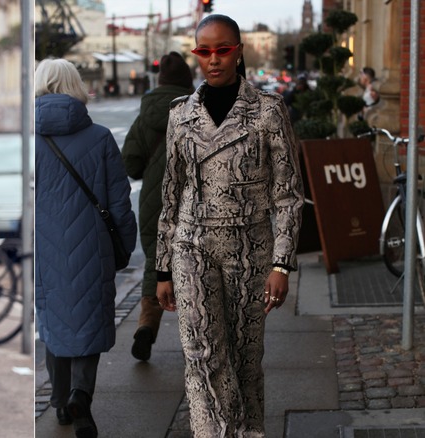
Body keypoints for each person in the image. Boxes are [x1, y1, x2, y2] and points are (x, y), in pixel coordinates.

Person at [155, 14, 304, 436]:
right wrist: (162, 267)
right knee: (203, 354)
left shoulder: (268, 112)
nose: (213, 60)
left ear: (239, 51)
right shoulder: (180, 116)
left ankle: (248, 430)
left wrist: (281, 264)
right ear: (196, 54)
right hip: (192, 246)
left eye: (222, 50)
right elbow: (171, 194)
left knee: (244, 355)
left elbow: (289, 194)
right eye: (204, 51)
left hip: (250, 249)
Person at [35, 58, 137, 438]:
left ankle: (60, 401)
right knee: (87, 321)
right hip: (92, 246)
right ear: (77, 86)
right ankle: (81, 396)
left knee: (55, 322)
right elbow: (120, 202)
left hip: (44, 252)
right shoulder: (100, 137)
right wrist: (124, 247)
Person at [121, 51, 194, 362]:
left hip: (154, 200)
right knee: (193, 265)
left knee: (155, 260)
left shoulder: (145, 115)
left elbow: (130, 163)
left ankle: (146, 326)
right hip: (191, 198)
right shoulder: (197, 109)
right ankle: (196, 335)